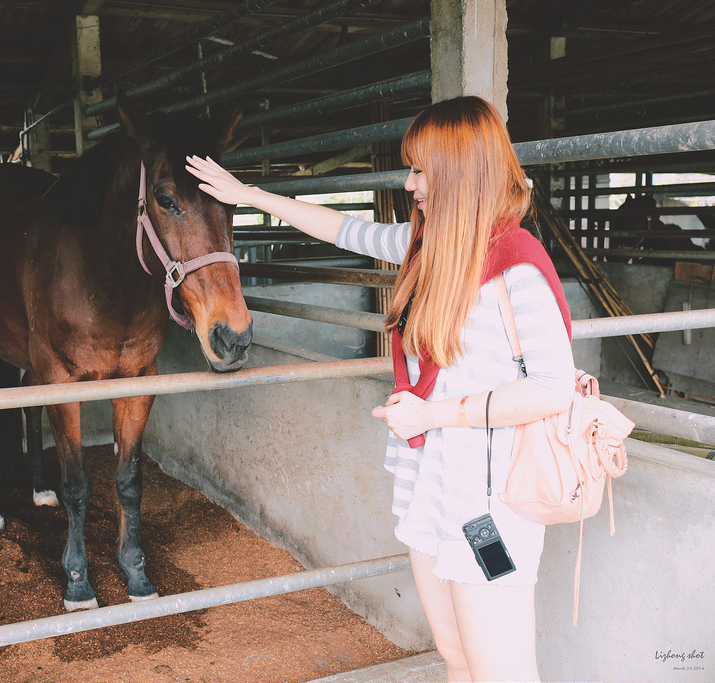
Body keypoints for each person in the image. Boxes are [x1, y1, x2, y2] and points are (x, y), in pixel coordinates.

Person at [186, 95, 575, 683]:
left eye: (420, 168)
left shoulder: (517, 263)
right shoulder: (431, 248)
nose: (409, 181)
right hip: (431, 487)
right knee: (455, 653)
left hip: (488, 504)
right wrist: (252, 197)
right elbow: (347, 230)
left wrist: (433, 415)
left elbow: (552, 389)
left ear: (459, 170)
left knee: (503, 672)